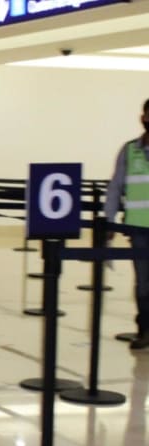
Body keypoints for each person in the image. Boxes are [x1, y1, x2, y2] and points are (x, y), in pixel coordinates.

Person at [105, 98, 149, 350]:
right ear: (143, 118)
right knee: (143, 284)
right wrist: (109, 222)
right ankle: (145, 330)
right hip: (138, 229)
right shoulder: (130, 151)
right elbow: (115, 188)